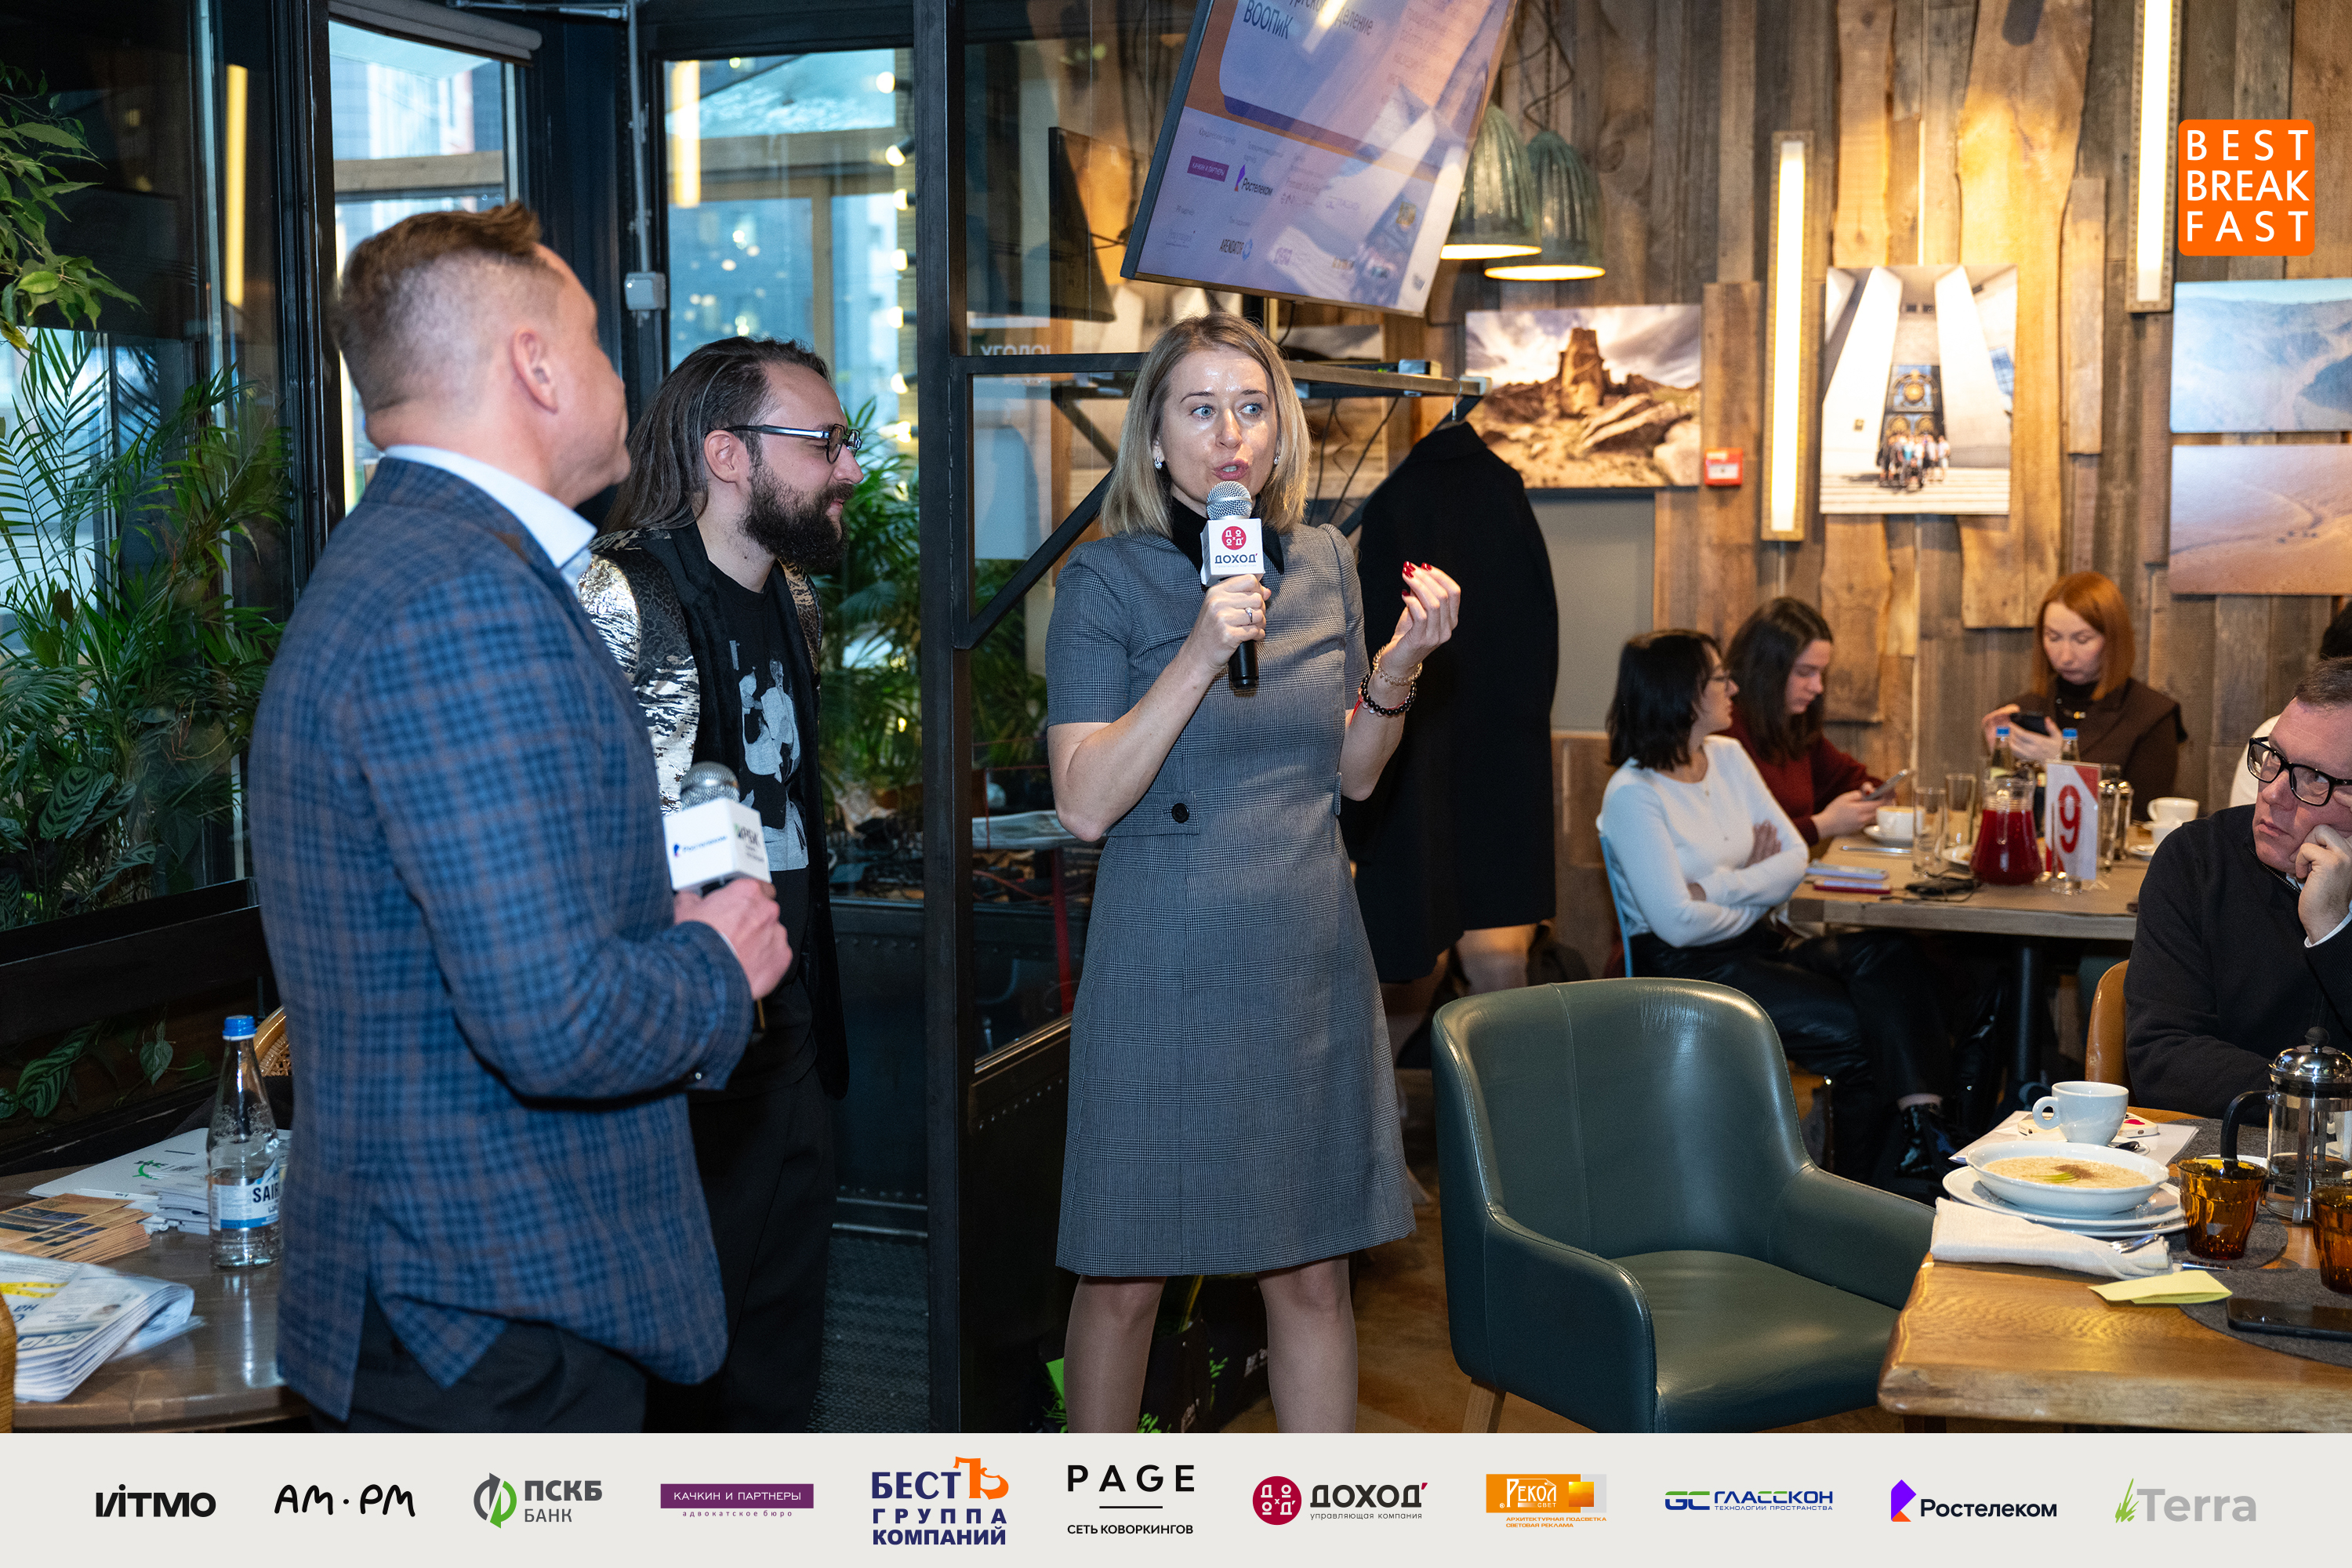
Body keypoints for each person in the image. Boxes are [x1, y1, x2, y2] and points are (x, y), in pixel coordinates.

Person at [247, 204, 790, 1432]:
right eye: (596, 341)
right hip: (490, 1322)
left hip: (455, 1302)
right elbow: (554, 1022)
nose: (620, 376)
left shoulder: (409, 562)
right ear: (536, 367)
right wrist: (718, 962)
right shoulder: (464, 603)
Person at [1044, 312, 1459, 1432]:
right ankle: (1098, 1514)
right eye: (1200, 408)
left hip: (1303, 949)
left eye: (1250, 406)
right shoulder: (1104, 582)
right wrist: (1196, 650)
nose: (1230, 432)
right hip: (1165, 958)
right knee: (1125, 1274)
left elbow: (1355, 776)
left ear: (1279, 432)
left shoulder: (1324, 562)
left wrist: (1398, 668)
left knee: (1313, 1273)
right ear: (1154, 438)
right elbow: (1084, 801)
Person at [577, 336, 855, 1432]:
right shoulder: (621, 596)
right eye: (824, 443)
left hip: (790, 1043)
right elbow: (584, 843)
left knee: (777, 1367)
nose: (847, 468)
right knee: (675, 1380)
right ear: (729, 454)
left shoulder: (796, 598)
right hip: (680, 1064)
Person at [1598, 630, 1957, 1183]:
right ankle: (1863, 1189)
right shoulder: (1633, 793)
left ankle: (1921, 1129)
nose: (1733, 688)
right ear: (1681, 693)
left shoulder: (1728, 755)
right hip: (1686, 969)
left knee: (1890, 953)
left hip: (1752, 943)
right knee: (1859, 1033)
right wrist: (1754, 889)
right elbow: (1676, 924)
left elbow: (1791, 858)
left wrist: (1715, 887)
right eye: (1720, 679)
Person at [1341, 407, 1559, 1073]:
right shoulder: (1503, 490)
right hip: (1500, 753)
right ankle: (1509, 1116)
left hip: (1407, 752)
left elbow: (1366, 634)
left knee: (1411, 960)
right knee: (1500, 962)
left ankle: (1368, 1100)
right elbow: (1539, 635)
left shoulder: (1389, 499)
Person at [2129, 659, 2352, 1112]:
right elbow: (2162, 1058)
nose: (2271, 792)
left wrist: (2334, 933)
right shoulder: (2198, 859)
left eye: (2314, 778)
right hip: (2219, 1148)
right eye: (2274, 758)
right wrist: (2313, 1100)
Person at [1980, 571, 2184, 812]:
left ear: (2113, 639)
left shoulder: (2152, 714)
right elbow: (2004, 815)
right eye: (2053, 637)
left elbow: (2144, 818)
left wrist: (2064, 764)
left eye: (2082, 639)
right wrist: (1999, 763)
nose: (2065, 656)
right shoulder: (2023, 710)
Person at [1723, 597, 1879, 846]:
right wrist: (1824, 825)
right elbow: (1736, 843)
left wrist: (1874, 795)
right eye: (1804, 673)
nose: (1818, 687)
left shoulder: (1794, 724)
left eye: (1821, 673)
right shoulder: (1726, 732)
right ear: (1766, 670)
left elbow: (1849, 777)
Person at [2228, 601, 2352, 808]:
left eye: (2316, 776)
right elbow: (2256, 823)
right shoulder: (2281, 736)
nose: (2272, 794)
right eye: (2317, 776)